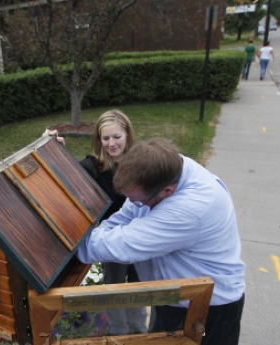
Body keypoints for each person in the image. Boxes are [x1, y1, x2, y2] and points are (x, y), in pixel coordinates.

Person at [77, 138, 246, 345]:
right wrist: (101, 231)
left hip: (208, 310)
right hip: (175, 298)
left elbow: (124, 244)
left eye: (138, 200)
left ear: (167, 191)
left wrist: (66, 242)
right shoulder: (168, 169)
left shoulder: (189, 210)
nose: (133, 204)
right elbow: (126, 215)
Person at [47, 110, 148, 335]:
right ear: (99, 139)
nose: (111, 144)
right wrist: (55, 149)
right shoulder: (92, 167)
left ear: (128, 135)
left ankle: (139, 333)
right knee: (113, 289)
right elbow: (66, 176)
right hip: (111, 243)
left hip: (141, 238)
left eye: (117, 137)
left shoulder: (140, 162)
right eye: (105, 138)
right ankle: (119, 334)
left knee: (139, 289)